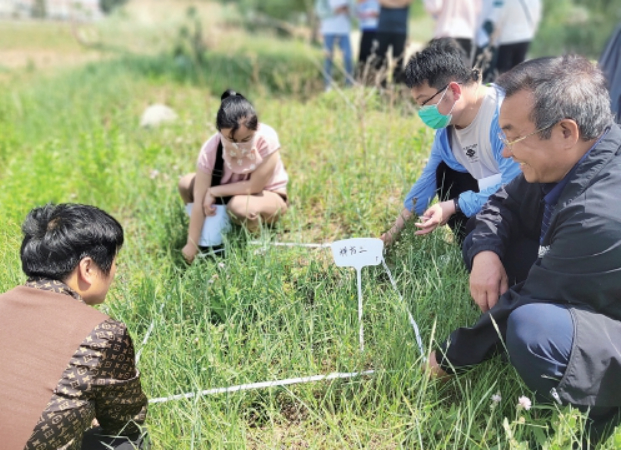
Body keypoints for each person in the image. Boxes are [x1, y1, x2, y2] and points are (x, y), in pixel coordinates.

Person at [427, 55, 621, 443]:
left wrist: (450, 356)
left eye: (513, 136)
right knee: (501, 243)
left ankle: (596, 414)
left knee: (533, 329)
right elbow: (502, 203)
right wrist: (484, 254)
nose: (505, 151)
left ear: (566, 131)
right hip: (589, 275)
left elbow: (530, 297)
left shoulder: (601, 213)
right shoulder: (575, 157)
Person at [0, 203, 148, 450]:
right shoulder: (103, 334)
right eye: (113, 262)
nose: (114, 272)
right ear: (87, 268)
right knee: (127, 442)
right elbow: (126, 423)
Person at [381, 38, 520, 245]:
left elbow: (515, 186)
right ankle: (469, 240)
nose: (424, 112)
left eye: (425, 103)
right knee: (443, 172)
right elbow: (428, 180)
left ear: (454, 90)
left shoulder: (502, 115)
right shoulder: (446, 131)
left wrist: (455, 205)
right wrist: (391, 235)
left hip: (520, 201)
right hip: (485, 200)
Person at [178, 90, 289, 264]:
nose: (239, 147)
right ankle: (208, 232)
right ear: (220, 132)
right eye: (231, 140)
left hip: (264, 195)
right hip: (225, 197)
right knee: (186, 183)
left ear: (256, 127)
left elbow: (255, 186)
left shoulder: (266, 139)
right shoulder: (211, 150)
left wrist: (215, 191)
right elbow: (199, 200)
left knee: (240, 207)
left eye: (246, 139)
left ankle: (254, 241)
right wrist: (191, 245)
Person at [475, 0, 541, 81]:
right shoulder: (535, 1)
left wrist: (492, 35)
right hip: (525, 38)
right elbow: (536, 18)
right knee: (518, 74)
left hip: (507, 38)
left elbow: (498, 16)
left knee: (502, 73)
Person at [371, 0, 414, 85]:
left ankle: (396, 87)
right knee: (380, 58)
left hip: (400, 30)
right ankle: (381, 86)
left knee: (398, 60)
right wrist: (398, 4)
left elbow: (407, 2)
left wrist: (390, 3)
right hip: (383, 28)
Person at [316, 0, 355, 91]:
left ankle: (348, 86)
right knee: (328, 59)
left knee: (348, 58)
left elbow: (354, 12)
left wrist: (348, 10)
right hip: (328, 30)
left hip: (344, 31)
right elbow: (320, 11)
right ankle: (327, 86)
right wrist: (335, 11)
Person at [355, 0, 380, 83]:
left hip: (377, 31)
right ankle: (361, 80)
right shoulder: (361, 2)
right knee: (363, 56)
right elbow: (356, 13)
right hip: (365, 30)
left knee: (375, 57)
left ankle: (374, 80)